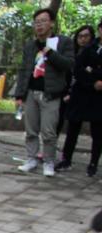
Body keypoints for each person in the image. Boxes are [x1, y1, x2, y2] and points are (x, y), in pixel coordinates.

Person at [14, 8, 75, 177]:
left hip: (51, 94)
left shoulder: (63, 42)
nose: (39, 25)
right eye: (37, 22)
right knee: (31, 130)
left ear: (52, 23)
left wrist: (50, 53)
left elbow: (68, 64)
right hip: (31, 92)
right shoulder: (30, 45)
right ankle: (31, 159)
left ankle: (49, 161)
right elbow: (24, 70)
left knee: (48, 132)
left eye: (43, 21)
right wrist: (19, 95)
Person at [57, 22, 102, 175]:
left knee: (97, 132)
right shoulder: (88, 49)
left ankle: (93, 163)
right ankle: (66, 159)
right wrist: (92, 81)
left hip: (98, 98)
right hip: (81, 93)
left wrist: (94, 74)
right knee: (73, 129)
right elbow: (78, 70)